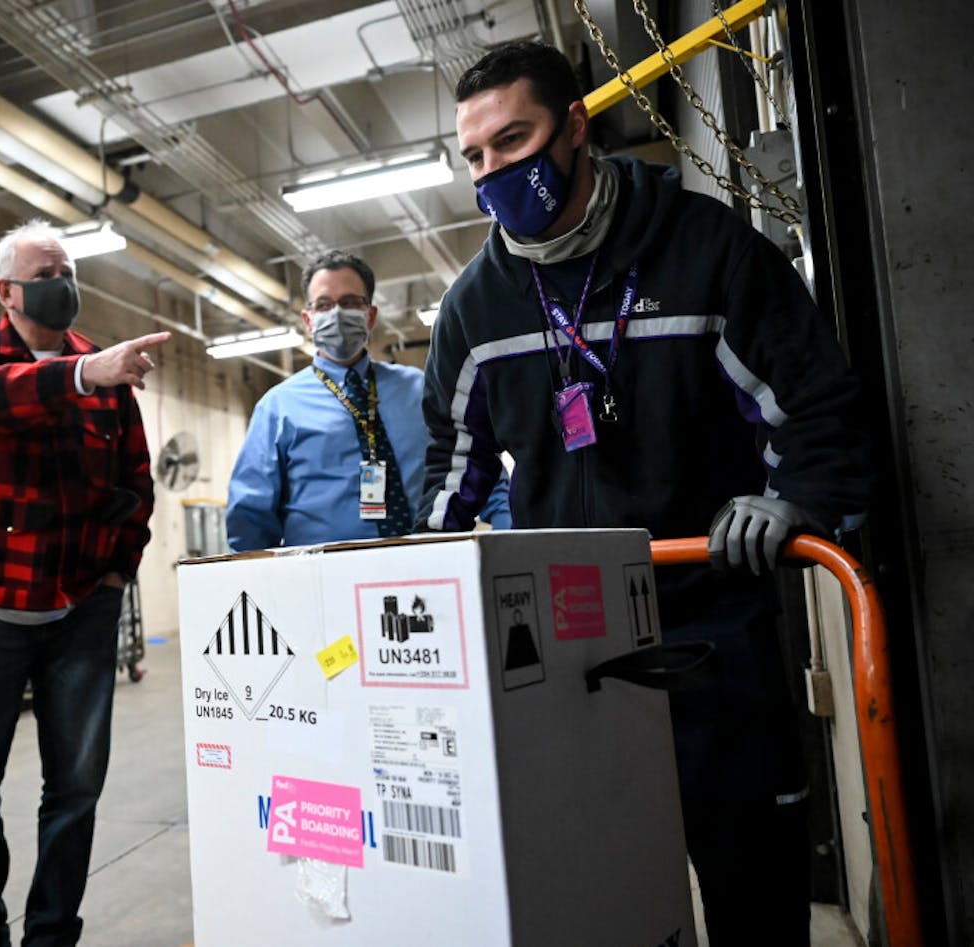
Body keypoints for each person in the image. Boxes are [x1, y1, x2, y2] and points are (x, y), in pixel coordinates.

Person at [419, 42, 870, 947]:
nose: (495, 172)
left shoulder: (709, 252)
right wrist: (425, 595)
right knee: (598, 889)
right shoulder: (475, 308)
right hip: (561, 644)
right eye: (476, 156)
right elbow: (448, 469)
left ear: (576, 126)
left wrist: (792, 501)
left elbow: (816, 405)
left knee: (751, 875)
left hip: (714, 626)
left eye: (515, 140)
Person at [0, 220, 167, 947]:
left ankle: (52, 933)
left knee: (75, 791)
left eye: (68, 270)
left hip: (81, 616)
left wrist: (113, 578)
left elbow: (136, 482)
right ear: (7, 290)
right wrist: (77, 375)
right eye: (45, 271)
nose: (61, 283)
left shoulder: (104, 369)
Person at [227, 250, 510, 551]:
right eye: (324, 305)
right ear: (308, 320)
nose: (336, 314)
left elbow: (479, 469)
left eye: (350, 302)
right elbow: (251, 516)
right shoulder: (278, 408)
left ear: (370, 315)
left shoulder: (420, 389)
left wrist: (517, 543)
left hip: (423, 563)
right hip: (324, 577)